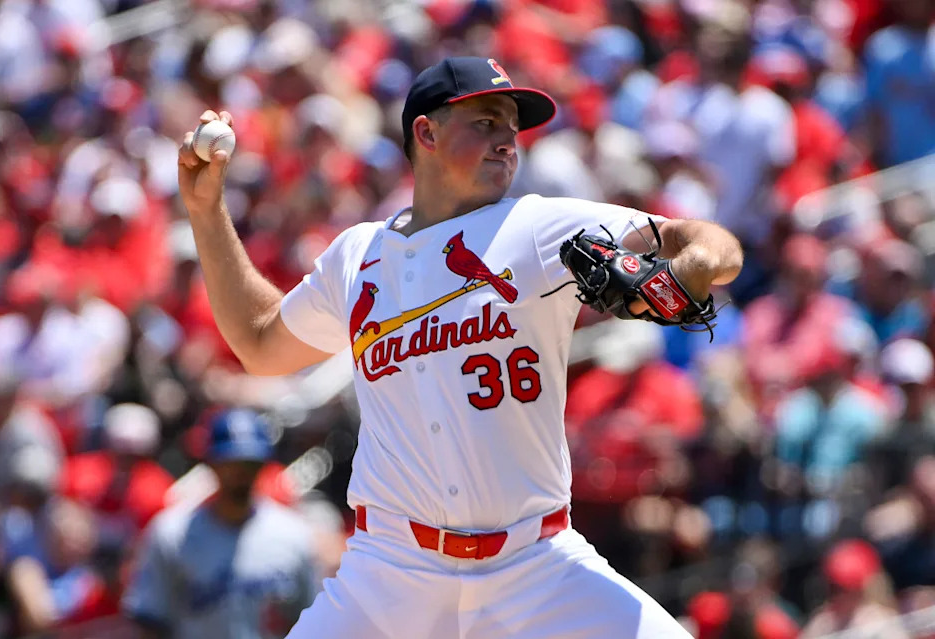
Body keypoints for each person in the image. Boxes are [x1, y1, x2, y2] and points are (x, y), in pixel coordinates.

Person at [176, 56, 742, 638]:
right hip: (392, 574)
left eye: (511, 130)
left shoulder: (537, 227)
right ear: (426, 132)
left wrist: (692, 266)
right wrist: (205, 211)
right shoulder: (358, 255)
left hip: (535, 567)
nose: (507, 143)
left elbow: (705, 240)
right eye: (487, 122)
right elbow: (260, 344)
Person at [122, 408, 317, 639]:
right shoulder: (172, 533)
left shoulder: (292, 534)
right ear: (211, 463)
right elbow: (149, 620)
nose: (241, 473)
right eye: (231, 463)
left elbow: (311, 622)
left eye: (249, 463)